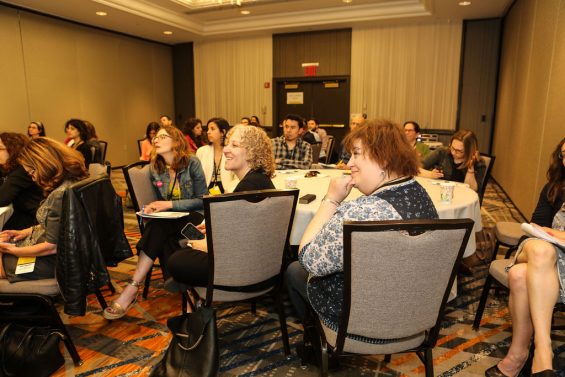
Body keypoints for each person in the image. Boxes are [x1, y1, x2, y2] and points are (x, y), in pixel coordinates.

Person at [286, 119, 438, 352]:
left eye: (357, 154)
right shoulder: (420, 194)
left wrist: (332, 200)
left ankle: (320, 345)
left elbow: (309, 258)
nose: (349, 163)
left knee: (296, 269)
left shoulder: (363, 211)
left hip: (365, 324)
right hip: (415, 318)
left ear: (383, 158)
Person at [103, 125, 207, 320]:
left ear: (176, 141)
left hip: (196, 226)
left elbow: (203, 199)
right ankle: (189, 292)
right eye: (155, 138)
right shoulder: (155, 168)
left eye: (162, 137)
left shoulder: (192, 163)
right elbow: (160, 204)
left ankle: (132, 289)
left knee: (159, 229)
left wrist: (169, 204)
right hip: (171, 223)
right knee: (161, 229)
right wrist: (151, 208)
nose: (155, 140)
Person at [485, 138, 565, 377]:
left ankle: (519, 355)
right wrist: (551, 235)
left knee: (520, 275)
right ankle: (544, 349)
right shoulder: (555, 187)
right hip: (542, 251)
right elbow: (535, 227)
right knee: (541, 250)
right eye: (563, 154)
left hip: (556, 268)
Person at [166, 124, 276, 291]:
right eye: (227, 144)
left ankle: (188, 292)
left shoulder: (249, 186)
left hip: (242, 269)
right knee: (184, 223)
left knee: (177, 260)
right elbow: (241, 229)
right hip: (254, 260)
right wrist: (211, 229)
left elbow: (238, 243)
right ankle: (187, 291)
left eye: (235, 145)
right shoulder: (257, 180)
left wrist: (203, 246)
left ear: (252, 152)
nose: (225, 150)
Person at [0, 137, 88, 282]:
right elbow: (60, 226)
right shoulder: (72, 182)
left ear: (44, 165)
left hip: (58, 262)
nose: (33, 179)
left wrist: (12, 250)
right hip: (75, 253)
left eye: (32, 173)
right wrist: (25, 232)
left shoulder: (59, 195)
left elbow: (51, 247)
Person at [0, 133, 44, 230]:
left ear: (13, 150)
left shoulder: (22, 170)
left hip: (34, 220)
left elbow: (2, 198)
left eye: (0, 149)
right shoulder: (9, 168)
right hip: (23, 214)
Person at [420, 129, 485, 192]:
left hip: (463, 196)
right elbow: (415, 169)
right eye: (452, 148)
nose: (453, 152)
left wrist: (470, 169)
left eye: (459, 151)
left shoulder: (479, 162)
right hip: (441, 192)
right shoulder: (441, 152)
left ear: (469, 151)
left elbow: (472, 190)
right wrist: (431, 174)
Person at [196, 118, 237, 194]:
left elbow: (237, 177)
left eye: (212, 129)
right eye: (208, 129)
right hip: (205, 191)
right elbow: (196, 176)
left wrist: (229, 191)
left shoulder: (232, 151)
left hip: (228, 191)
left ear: (223, 132)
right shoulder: (202, 151)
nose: (208, 132)